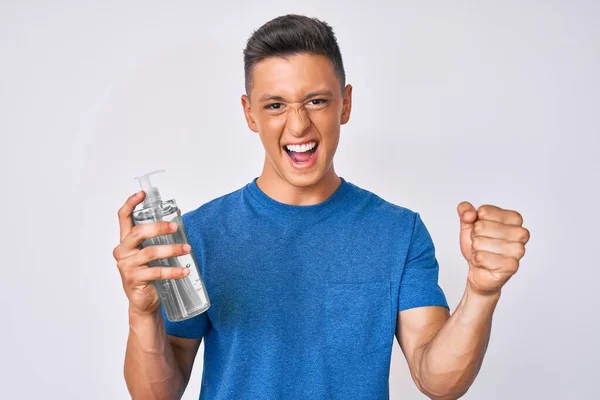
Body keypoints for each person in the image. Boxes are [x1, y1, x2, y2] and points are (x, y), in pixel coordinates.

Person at [112, 14, 530, 400]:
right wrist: (142, 313)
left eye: (316, 101)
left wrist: (481, 292)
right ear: (250, 113)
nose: (298, 126)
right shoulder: (197, 235)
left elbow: (437, 379)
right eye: (275, 105)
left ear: (344, 104)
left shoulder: (398, 232)